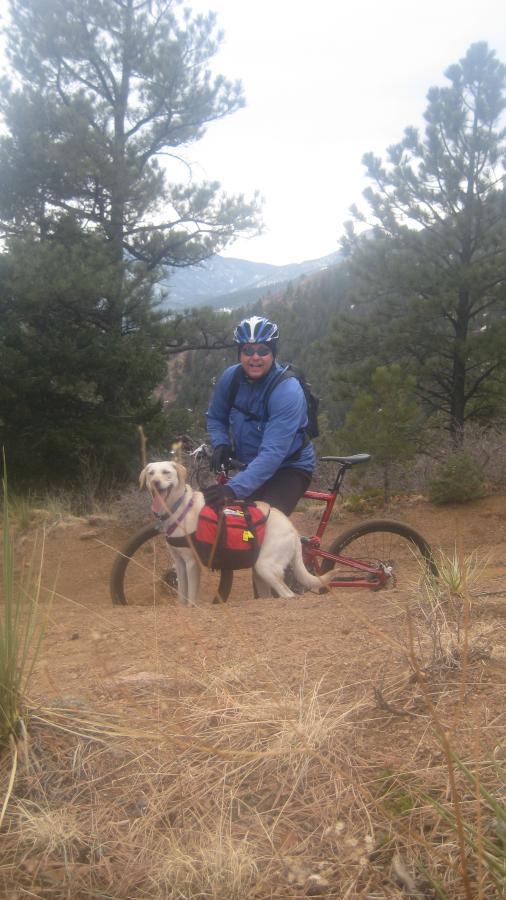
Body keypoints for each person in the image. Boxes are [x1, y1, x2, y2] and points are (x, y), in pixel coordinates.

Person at [204, 315, 315, 514]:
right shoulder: (231, 377)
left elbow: (273, 453)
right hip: (252, 465)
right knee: (232, 524)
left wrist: (232, 488)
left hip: (288, 466)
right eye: (248, 350)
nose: (255, 357)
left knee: (261, 524)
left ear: (273, 354)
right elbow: (216, 416)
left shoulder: (287, 390)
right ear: (240, 354)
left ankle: (286, 546)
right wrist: (221, 443)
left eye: (263, 351)